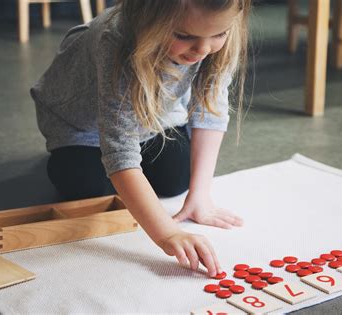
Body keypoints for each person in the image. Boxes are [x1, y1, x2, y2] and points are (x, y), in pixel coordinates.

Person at [30, 0, 251, 277]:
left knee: (176, 180)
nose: (203, 49)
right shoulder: (116, 41)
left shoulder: (220, 30)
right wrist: (168, 234)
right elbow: (119, 150)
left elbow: (211, 110)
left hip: (152, 117)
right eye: (184, 36)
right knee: (84, 186)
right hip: (80, 124)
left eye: (219, 34)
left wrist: (201, 196)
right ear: (148, 20)